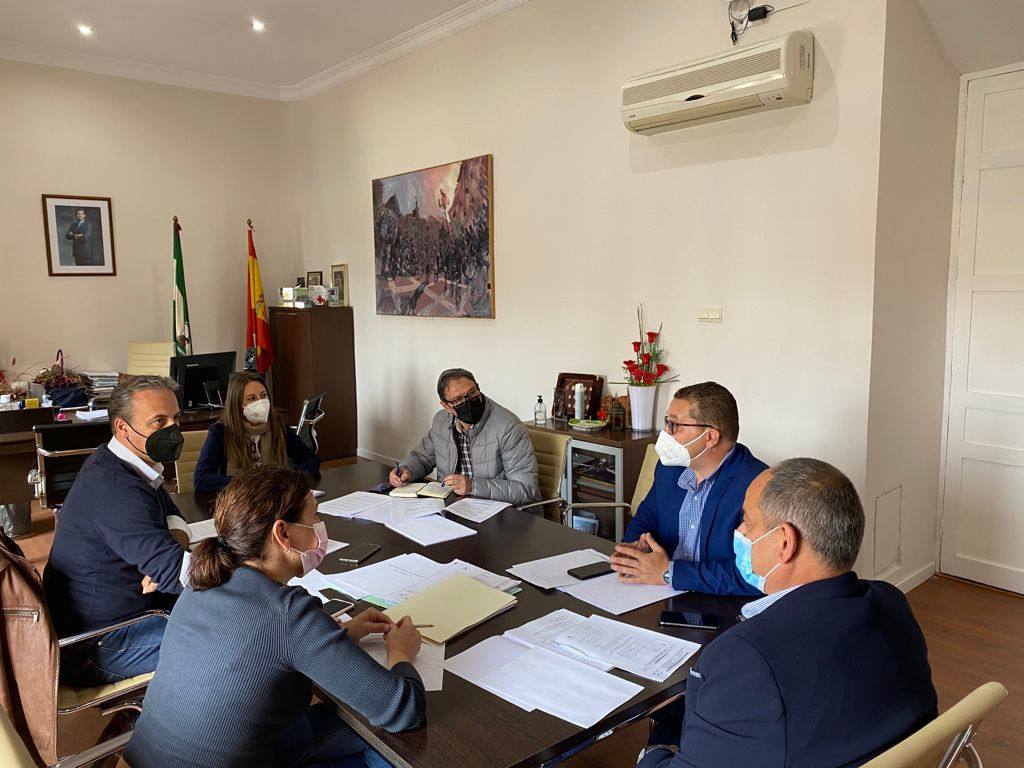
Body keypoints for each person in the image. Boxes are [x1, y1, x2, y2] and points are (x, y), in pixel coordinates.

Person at [638, 459, 938, 768]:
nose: (739, 532)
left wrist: (652, 754)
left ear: (784, 542)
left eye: (746, 522)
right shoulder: (891, 601)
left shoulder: (744, 658)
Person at [125, 466, 425, 768]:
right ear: (282, 533)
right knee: (390, 749)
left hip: (144, 758)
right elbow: (403, 710)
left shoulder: (204, 579)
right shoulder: (289, 613)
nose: (320, 526)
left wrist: (343, 636)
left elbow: (259, 651)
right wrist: (400, 652)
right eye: (315, 517)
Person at [43, 375, 188, 686]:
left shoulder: (126, 463)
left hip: (130, 615)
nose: (172, 430)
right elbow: (178, 574)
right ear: (123, 428)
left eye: (176, 419)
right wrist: (252, 576)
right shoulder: (116, 488)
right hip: (97, 645)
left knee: (219, 614)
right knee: (228, 636)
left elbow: (173, 515)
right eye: (159, 421)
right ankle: (162, 730)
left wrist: (172, 544)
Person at [610, 382, 767, 596]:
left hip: (720, 606)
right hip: (661, 595)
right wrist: (638, 548)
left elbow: (756, 574)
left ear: (710, 437)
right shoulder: (669, 470)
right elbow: (646, 518)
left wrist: (670, 573)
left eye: (674, 425)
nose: (665, 433)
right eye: (667, 422)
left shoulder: (758, 485)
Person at [389, 368, 539, 506]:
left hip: (503, 513)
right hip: (455, 505)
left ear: (478, 388)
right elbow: (422, 458)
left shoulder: (508, 427)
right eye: (459, 400)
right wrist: (407, 470)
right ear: (446, 406)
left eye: (472, 393)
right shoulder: (441, 421)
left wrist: (473, 486)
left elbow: (525, 489)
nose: (468, 401)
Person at [193, 371, 320, 493]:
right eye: (251, 398)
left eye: (263, 395)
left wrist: (287, 477)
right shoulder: (221, 431)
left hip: (277, 497)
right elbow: (201, 480)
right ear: (237, 404)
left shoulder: (277, 425)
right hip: (241, 502)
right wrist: (251, 482)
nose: (260, 402)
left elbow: (311, 460)